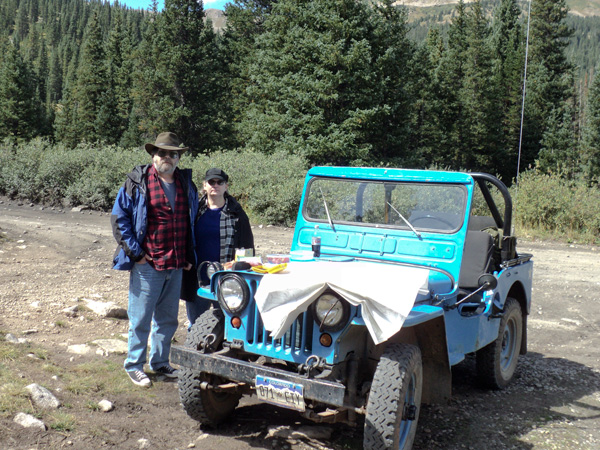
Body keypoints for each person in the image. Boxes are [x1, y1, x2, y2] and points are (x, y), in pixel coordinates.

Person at [111, 132, 199, 387]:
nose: (167, 158)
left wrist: (188, 254)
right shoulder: (137, 181)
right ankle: (134, 365)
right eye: (162, 153)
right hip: (147, 264)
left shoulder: (185, 183)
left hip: (177, 262)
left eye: (173, 154)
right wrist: (136, 254)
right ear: (153, 155)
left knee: (168, 319)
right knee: (140, 318)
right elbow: (120, 218)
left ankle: (160, 363)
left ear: (178, 157)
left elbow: (190, 220)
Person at [183, 168, 254, 326]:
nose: (215, 185)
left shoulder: (237, 214)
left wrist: (241, 269)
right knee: (195, 323)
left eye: (219, 182)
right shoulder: (195, 211)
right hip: (198, 277)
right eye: (211, 182)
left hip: (226, 279)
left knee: (226, 325)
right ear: (205, 186)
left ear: (226, 186)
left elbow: (247, 249)